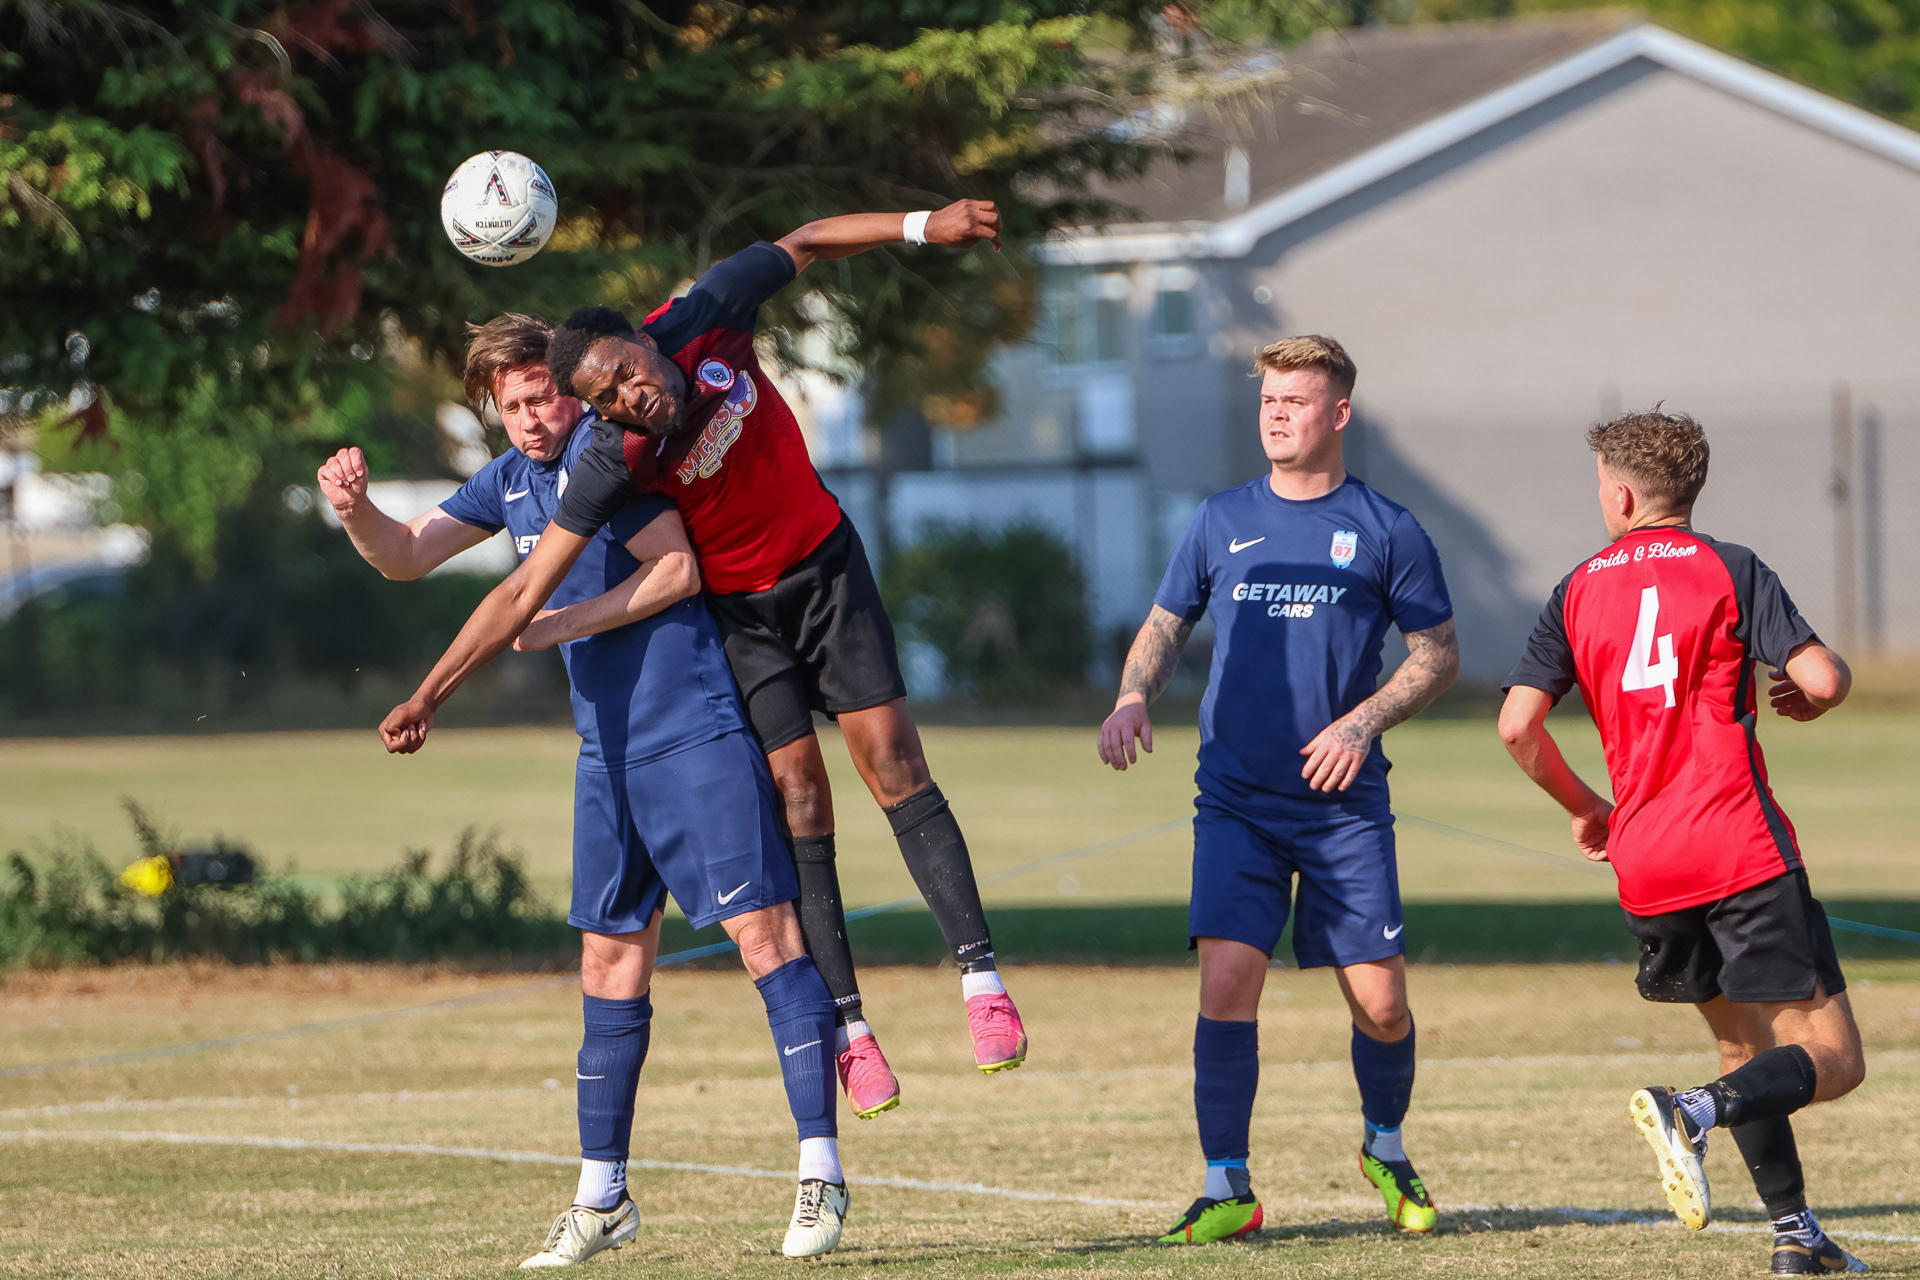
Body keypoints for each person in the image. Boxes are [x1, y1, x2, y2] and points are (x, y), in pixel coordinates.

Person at [377, 201, 1027, 1098]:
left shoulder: (705, 316)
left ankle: (982, 984)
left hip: (825, 567)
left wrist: (925, 225)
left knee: (893, 764)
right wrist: (430, 695)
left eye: (628, 377)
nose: (631, 399)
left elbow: (805, 241)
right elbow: (523, 589)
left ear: (644, 341)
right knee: (799, 796)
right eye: (608, 401)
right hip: (743, 615)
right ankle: (851, 1029)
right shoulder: (612, 458)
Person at [319, 314, 852, 1264]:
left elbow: (677, 572)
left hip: (692, 735)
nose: (530, 418)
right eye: (512, 405)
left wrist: (561, 624)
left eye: (542, 397)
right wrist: (356, 509)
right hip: (605, 757)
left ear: (572, 391)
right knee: (607, 965)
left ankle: (822, 1173)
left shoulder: (610, 461)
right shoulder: (508, 481)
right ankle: (602, 1198)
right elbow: (405, 554)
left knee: (765, 939)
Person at [1097, 335, 1459, 1244]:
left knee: (1382, 1006)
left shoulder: (1387, 528)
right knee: (1227, 983)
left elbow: (1438, 655)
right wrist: (1134, 695)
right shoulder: (1220, 518)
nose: (1276, 414)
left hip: (1344, 810)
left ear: (1339, 413)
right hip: (1236, 802)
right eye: (1268, 400)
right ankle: (1227, 1187)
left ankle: (1385, 1148)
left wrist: (1361, 724)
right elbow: (1165, 623)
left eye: (1295, 400)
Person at [1498, 408, 1867, 1275]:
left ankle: (1796, 1235)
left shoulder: (1576, 588)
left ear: (1622, 496)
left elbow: (1518, 727)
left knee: (1745, 1049)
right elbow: (1820, 677)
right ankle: (1692, 1112)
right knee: (1835, 1059)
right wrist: (1823, 694)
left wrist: (1588, 809)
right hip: (1738, 847)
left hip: (1647, 860)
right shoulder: (1730, 567)